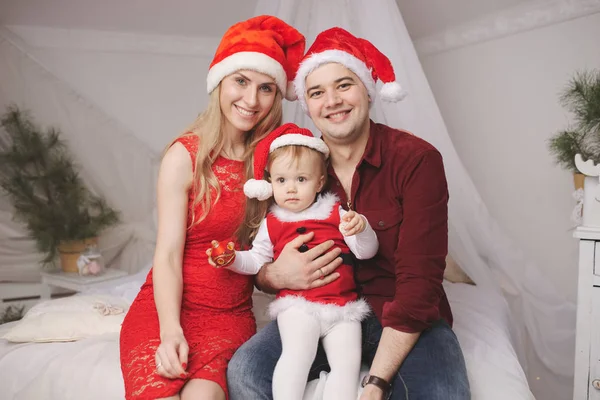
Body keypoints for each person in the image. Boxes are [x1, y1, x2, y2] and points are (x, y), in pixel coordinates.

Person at [227, 27, 471, 400]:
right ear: (306, 104)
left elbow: (420, 282)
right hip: (319, 308)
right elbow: (262, 253)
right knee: (246, 372)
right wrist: (273, 274)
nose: (332, 101)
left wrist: (376, 382)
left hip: (404, 315)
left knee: (442, 393)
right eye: (317, 92)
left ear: (368, 91)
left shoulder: (416, 159)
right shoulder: (298, 166)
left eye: (344, 85)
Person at [118, 15, 305, 400]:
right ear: (220, 82)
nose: (251, 100)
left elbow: (271, 246)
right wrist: (170, 330)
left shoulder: (277, 162)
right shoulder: (185, 156)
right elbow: (167, 255)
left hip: (228, 318)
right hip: (167, 310)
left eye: (266, 88)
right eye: (241, 81)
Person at [208, 122, 378, 400]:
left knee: (347, 366)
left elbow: (365, 252)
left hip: (342, 308)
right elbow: (255, 261)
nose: (291, 189)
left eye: (301, 179)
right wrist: (231, 259)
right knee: (297, 356)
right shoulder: (272, 223)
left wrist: (362, 229)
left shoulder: (336, 212)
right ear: (270, 183)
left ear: (320, 182)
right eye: (281, 180)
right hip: (299, 308)